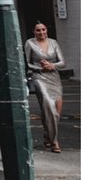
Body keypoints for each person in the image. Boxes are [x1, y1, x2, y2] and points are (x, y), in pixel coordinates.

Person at [26, 20, 64, 156]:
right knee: (49, 106)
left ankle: (47, 135)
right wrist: (40, 67)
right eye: (38, 30)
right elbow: (27, 64)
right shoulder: (30, 43)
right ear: (34, 32)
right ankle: (55, 141)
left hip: (54, 77)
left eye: (43, 29)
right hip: (39, 77)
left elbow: (62, 62)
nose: (41, 32)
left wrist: (52, 66)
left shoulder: (53, 42)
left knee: (56, 112)